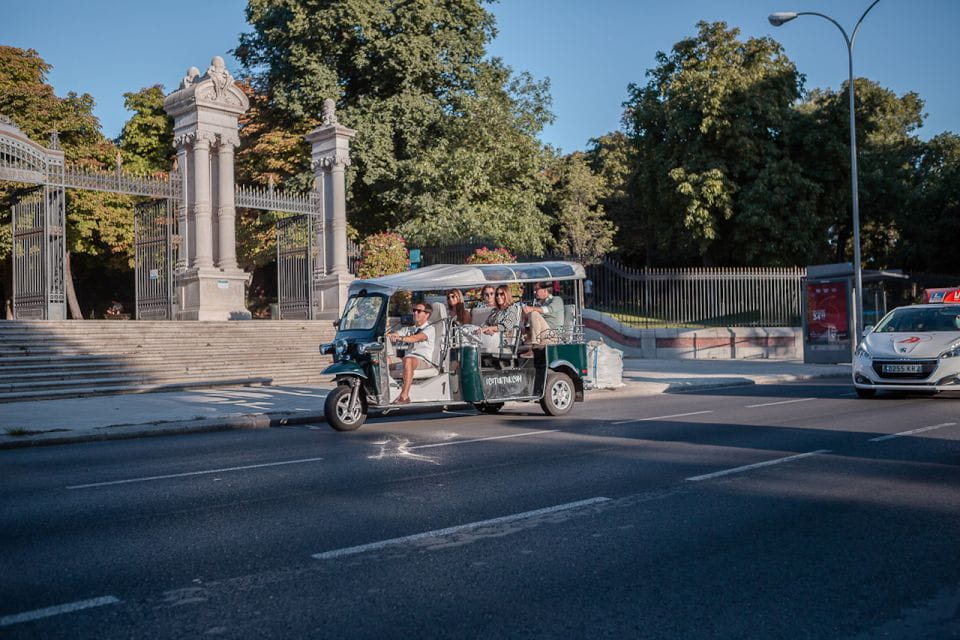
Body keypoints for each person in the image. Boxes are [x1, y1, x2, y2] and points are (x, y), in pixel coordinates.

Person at [386, 302, 436, 404]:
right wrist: (389, 335)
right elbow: (394, 334)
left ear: (427, 314)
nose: (415, 313)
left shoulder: (430, 329)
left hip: (423, 360)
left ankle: (404, 396)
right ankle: (381, 392)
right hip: (407, 358)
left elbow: (415, 338)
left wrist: (401, 338)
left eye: (419, 311)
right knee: (383, 360)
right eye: (414, 310)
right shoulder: (410, 328)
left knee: (408, 360)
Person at [478, 285, 520, 352]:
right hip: (491, 336)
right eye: (497, 294)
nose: (498, 297)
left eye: (501, 294)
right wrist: (487, 330)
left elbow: (506, 326)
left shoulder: (512, 308)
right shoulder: (495, 310)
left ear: (507, 295)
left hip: (503, 339)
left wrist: (489, 329)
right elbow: (485, 324)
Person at [523, 281, 564, 346]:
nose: (534, 292)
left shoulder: (557, 299)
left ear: (545, 290)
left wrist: (532, 309)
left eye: (537, 289)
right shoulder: (540, 303)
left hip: (552, 335)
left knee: (534, 313)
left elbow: (548, 309)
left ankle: (535, 345)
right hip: (542, 334)